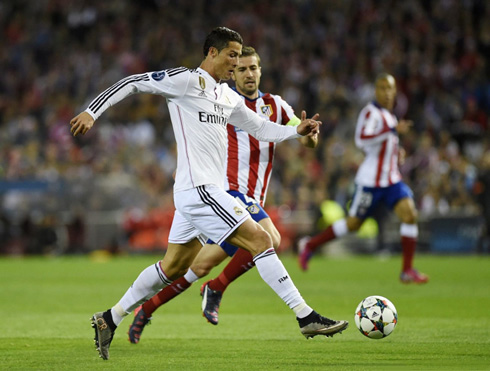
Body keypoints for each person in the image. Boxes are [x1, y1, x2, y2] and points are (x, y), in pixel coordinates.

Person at [70, 27, 348, 361]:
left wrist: (295, 131)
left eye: (241, 57)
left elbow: (259, 127)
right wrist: (92, 111)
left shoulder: (226, 96)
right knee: (262, 240)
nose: (236, 62)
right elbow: (132, 82)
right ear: (212, 53)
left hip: (196, 194)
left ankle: (110, 318)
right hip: (200, 190)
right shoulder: (184, 81)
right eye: (232, 55)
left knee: (172, 267)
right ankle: (306, 317)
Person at [127, 46, 318, 344]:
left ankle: (147, 309)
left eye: (253, 68)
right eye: (242, 69)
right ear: (233, 73)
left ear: (261, 70)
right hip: (227, 192)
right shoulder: (222, 102)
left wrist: (310, 135)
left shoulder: (276, 106)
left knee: (196, 267)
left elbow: (301, 134)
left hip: (252, 202)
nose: (249, 74)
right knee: (272, 239)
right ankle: (219, 289)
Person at [298, 73, 429, 284]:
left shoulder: (389, 116)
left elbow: (384, 143)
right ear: (376, 91)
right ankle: (310, 245)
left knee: (410, 214)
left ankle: (407, 270)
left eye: (390, 88)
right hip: (370, 182)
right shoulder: (371, 113)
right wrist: (393, 130)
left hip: (392, 180)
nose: (387, 93)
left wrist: (397, 152)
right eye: (382, 88)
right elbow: (362, 139)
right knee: (352, 224)